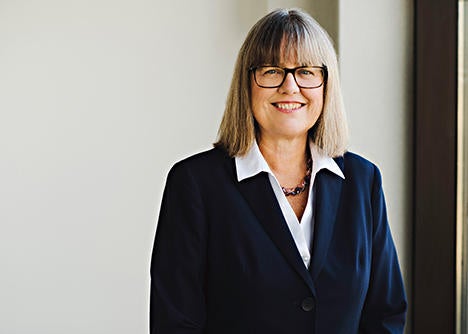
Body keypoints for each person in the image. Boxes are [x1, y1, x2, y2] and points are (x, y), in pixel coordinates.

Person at [150, 8, 407, 333]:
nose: (290, 86)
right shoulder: (195, 184)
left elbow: (386, 314)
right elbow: (176, 322)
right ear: (247, 84)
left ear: (326, 85)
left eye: (306, 72)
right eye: (272, 71)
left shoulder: (363, 181)